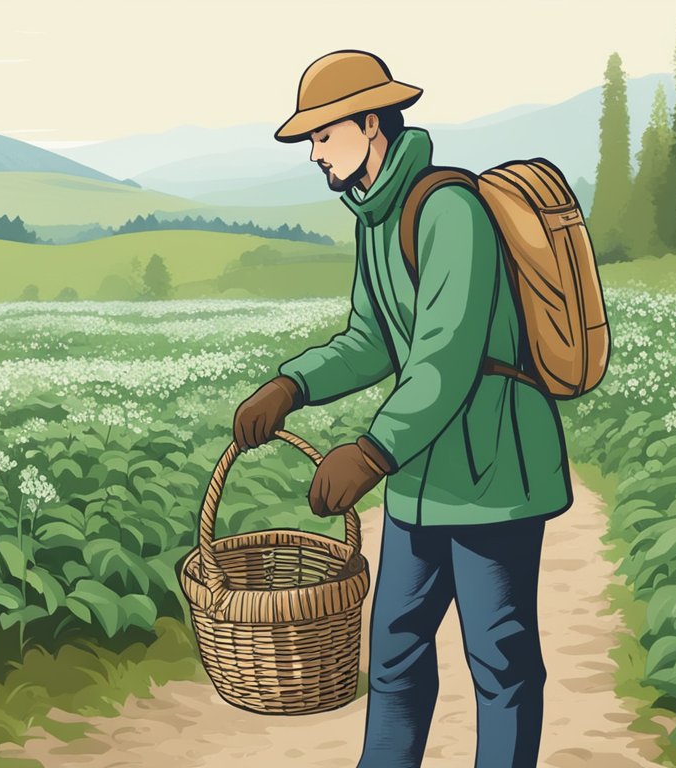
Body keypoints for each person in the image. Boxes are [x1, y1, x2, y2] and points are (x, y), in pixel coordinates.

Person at [231, 49, 573, 768]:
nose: (316, 154)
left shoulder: (450, 209)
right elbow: (371, 340)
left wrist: (372, 452)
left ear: (369, 122)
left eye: (324, 135)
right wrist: (290, 385)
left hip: (493, 474)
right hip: (422, 483)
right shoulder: (374, 220)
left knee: (500, 661)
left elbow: (445, 360)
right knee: (393, 658)